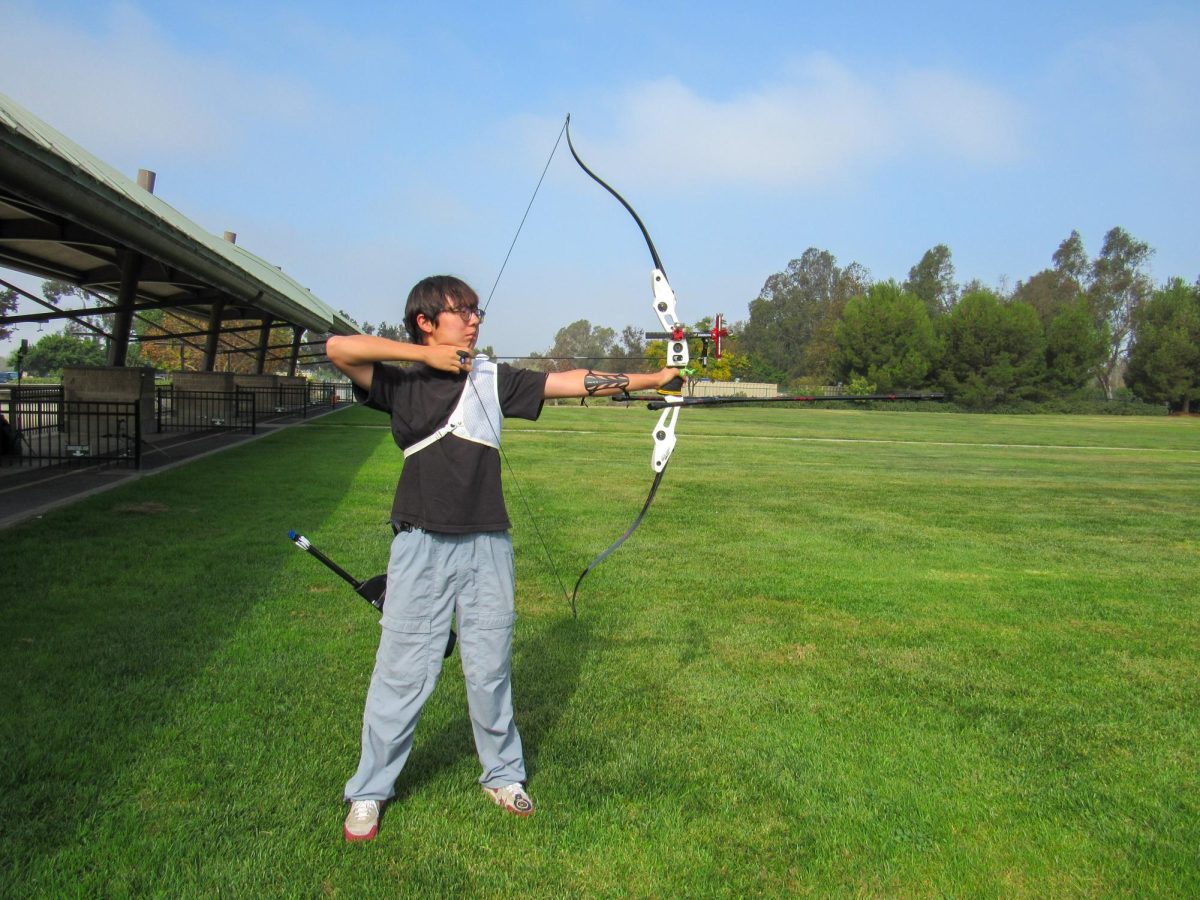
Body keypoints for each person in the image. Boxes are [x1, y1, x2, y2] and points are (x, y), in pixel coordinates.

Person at [325, 275, 681, 841]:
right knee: (402, 673)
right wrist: (429, 357)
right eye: (460, 312)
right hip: (419, 542)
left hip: (488, 542)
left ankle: (503, 775)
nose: (473, 320)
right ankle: (369, 791)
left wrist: (656, 377)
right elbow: (338, 348)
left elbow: (569, 382)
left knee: (489, 668)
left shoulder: (491, 377)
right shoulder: (400, 379)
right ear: (425, 320)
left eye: (475, 310)